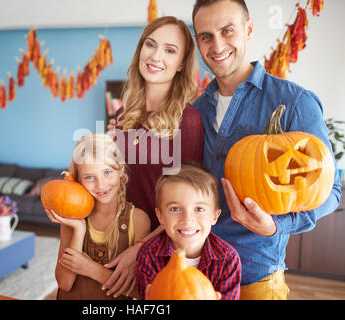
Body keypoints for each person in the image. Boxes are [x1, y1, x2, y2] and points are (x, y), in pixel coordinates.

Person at [191, 0, 341, 299]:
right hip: (196, 275)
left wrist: (275, 225)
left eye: (227, 30)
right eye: (206, 36)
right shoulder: (195, 111)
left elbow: (331, 191)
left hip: (257, 278)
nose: (217, 44)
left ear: (248, 29)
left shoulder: (295, 102)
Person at [103, 16, 205, 297]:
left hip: (159, 247)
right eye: (150, 44)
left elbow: (185, 203)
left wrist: (141, 249)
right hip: (117, 238)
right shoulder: (123, 115)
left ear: (182, 64)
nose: (156, 55)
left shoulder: (189, 120)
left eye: (170, 50)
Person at [45, 133, 151, 299]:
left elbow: (139, 293)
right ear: (78, 180)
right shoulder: (72, 220)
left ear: (121, 168)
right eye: (89, 177)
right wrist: (79, 231)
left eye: (107, 172)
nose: (101, 184)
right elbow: (64, 283)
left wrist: (91, 269)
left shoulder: (138, 220)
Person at [136, 163, 242, 300]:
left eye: (199, 209)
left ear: (215, 216)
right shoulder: (148, 255)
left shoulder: (228, 259)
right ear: (160, 215)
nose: (187, 220)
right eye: (175, 209)